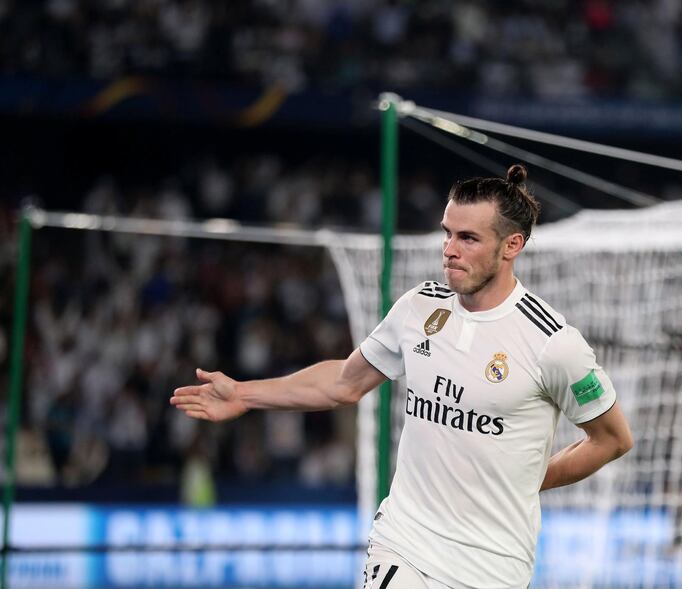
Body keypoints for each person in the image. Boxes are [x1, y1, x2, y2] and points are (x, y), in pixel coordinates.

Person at [171, 164, 634, 589]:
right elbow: (342, 383)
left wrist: (533, 478)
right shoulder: (419, 308)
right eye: (447, 234)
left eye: (468, 239)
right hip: (404, 544)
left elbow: (611, 439)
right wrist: (245, 394)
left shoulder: (553, 342)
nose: (450, 251)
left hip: (494, 566)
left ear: (512, 245)